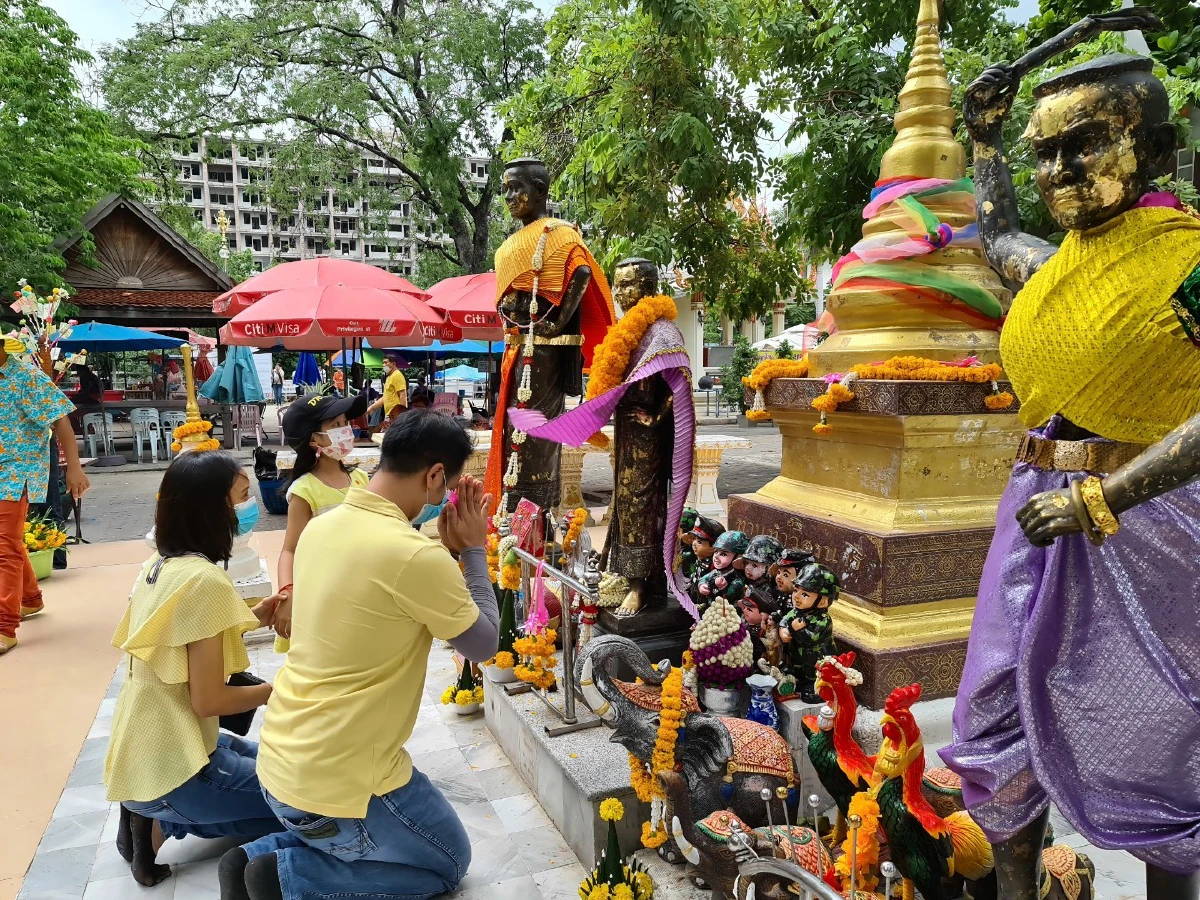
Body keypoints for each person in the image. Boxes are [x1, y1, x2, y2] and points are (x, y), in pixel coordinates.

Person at [944, 43, 1200, 898]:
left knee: (1168, 747)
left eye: (1082, 142)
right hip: (1034, 517)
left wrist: (1105, 495)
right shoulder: (1055, 269)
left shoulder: (1190, 263)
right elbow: (993, 235)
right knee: (997, 722)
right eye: (1042, 151)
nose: (1056, 169)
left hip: (1152, 529)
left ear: (1159, 152)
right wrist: (982, 139)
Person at [222, 411, 498, 900]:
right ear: (435, 475)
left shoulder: (323, 528)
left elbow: (392, 595)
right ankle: (286, 879)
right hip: (338, 783)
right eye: (450, 484)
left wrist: (448, 555)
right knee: (448, 864)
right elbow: (483, 645)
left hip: (281, 761)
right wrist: (474, 550)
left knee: (393, 840)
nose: (449, 496)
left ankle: (253, 854)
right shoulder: (413, 554)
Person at [103, 450, 284, 886]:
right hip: (181, 765)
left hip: (147, 747)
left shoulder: (159, 564)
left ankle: (149, 813)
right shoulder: (204, 580)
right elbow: (210, 700)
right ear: (213, 507)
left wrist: (254, 616)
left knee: (282, 765)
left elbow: (182, 638)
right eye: (242, 497)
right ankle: (163, 819)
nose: (249, 506)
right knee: (303, 800)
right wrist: (282, 688)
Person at [0, 344, 90, 655]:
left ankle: (4, 628)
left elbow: (61, 419)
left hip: (17, 470)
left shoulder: (25, 377)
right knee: (7, 542)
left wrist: (74, 468)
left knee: (3, 548)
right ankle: (31, 598)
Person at [269, 391, 371, 652]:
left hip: (360, 589)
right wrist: (287, 593)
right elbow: (290, 549)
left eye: (345, 422)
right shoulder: (305, 490)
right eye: (335, 425)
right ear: (314, 439)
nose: (345, 430)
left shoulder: (360, 478)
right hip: (323, 592)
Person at [367, 354, 407, 427]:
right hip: (390, 415)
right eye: (383, 363)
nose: (383, 365)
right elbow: (385, 397)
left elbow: (402, 395)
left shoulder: (397, 375)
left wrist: (401, 415)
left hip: (396, 416)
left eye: (386, 362)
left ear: (394, 364)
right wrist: (371, 408)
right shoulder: (389, 377)